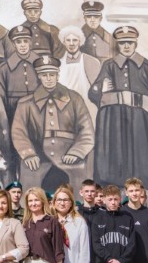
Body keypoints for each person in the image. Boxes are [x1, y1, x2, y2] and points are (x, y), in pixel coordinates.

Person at [88, 25, 148, 195]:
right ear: (117, 44)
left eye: (130, 42)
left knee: (144, 164)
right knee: (115, 164)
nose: (126, 46)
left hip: (141, 122)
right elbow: (93, 93)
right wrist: (100, 88)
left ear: (136, 43)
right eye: (122, 43)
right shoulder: (109, 66)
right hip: (114, 123)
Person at [11, 55, 95, 193]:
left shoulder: (75, 99)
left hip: (69, 155)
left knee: (79, 185)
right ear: (39, 77)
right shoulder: (25, 103)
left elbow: (87, 131)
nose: (49, 78)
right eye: (45, 75)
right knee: (30, 186)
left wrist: (77, 152)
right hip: (39, 156)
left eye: (52, 74)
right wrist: (28, 153)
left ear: (58, 75)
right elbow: (18, 132)